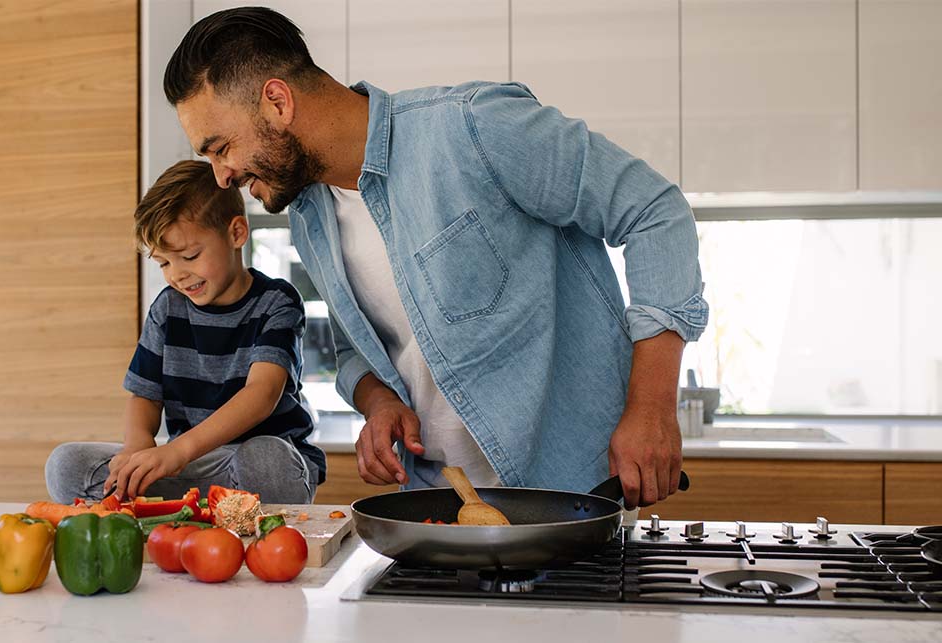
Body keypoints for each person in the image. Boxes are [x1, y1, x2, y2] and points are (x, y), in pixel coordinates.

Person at [163, 8, 709, 509]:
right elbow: (358, 347)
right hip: (441, 503)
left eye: (220, 147)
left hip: (571, 494)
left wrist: (652, 408)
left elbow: (655, 212)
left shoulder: (474, 129)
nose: (221, 175)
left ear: (277, 103)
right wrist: (378, 403)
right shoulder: (310, 217)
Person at [44, 160, 325, 504]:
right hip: (194, 467)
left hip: (256, 464)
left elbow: (261, 395)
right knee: (65, 464)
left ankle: (209, 513)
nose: (177, 274)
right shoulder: (168, 308)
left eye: (189, 256)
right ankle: (184, 512)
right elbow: (145, 397)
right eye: (164, 262)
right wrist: (137, 449)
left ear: (236, 233)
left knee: (266, 458)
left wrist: (177, 451)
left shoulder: (277, 301)